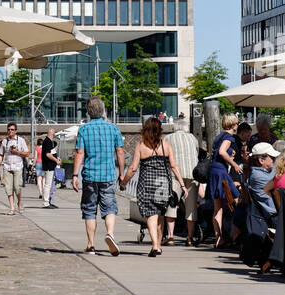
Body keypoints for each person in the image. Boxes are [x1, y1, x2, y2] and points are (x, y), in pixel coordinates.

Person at [120, 116, 185, 256]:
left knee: (151, 215)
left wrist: (124, 182)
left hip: (147, 185)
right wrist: (182, 185)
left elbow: (133, 168)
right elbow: (174, 166)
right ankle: (158, 245)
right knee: (160, 215)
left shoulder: (141, 146)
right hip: (163, 185)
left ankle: (155, 245)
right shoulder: (165, 145)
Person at [72, 97, 126, 256]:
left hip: (89, 175)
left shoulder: (84, 130)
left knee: (89, 209)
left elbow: (79, 153)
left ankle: (91, 244)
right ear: (103, 111)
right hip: (108, 175)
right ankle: (110, 233)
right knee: (109, 207)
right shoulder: (113, 128)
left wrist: (75, 175)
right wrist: (121, 173)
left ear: (88, 112)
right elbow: (120, 152)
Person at [162, 116, 200, 246]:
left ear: (175, 127)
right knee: (191, 207)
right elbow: (197, 152)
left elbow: (164, 155)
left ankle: (170, 235)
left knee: (172, 204)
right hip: (192, 174)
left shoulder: (168, 138)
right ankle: (189, 237)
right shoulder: (193, 138)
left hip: (175, 174)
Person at [208, 114, 243, 247]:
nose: (238, 125)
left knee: (217, 208)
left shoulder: (219, 136)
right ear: (233, 124)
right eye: (237, 123)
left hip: (213, 170)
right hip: (221, 171)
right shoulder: (229, 137)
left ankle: (218, 238)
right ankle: (238, 235)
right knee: (237, 200)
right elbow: (222, 152)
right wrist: (233, 164)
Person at [0, 122, 30, 215]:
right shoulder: (4, 141)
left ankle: (19, 202)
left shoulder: (21, 140)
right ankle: (12, 208)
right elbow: (0, 155)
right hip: (7, 167)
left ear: (16, 131)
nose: (10, 131)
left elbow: (27, 153)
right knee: (8, 188)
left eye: (12, 130)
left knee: (17, 187)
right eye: (9, 129)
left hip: (18, 166)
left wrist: (17, 152)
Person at [41, 127, 60, 208]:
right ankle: (46, 203)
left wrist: (57, 157)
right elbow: (48, 154)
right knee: (48, 185)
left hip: (50, 166)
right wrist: (56, 160)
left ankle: (48, 201)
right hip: (48, 166)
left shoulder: (49, 142)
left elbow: (52, 152)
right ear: (52, 133)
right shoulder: (47, 142)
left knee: (49, 184)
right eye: (54, 133)